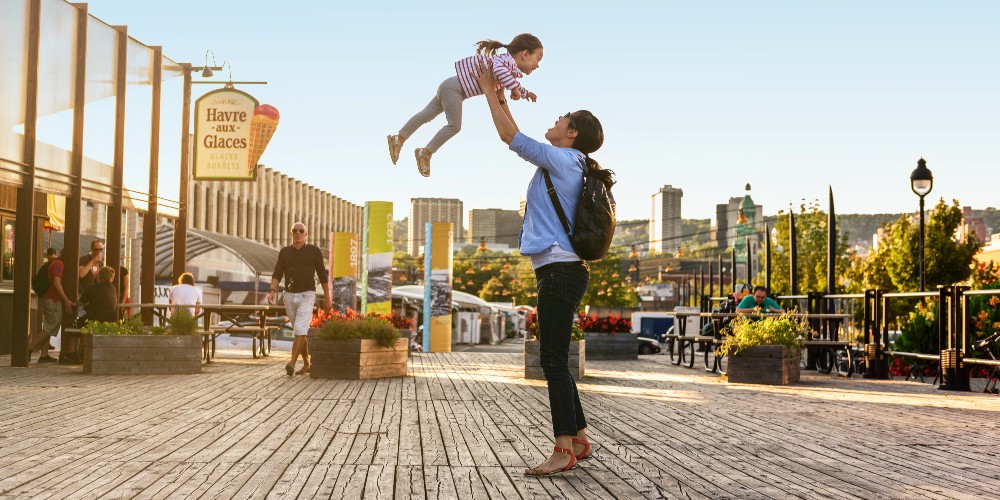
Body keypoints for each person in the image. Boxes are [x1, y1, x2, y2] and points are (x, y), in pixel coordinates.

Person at [475, 63, 605, 476]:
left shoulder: (566, 160)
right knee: (555, 359)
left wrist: (485, 91)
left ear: (572, 133)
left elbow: (510, 137)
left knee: (551, 360)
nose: (555, 120)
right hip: (563, 269)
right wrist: (496, 95)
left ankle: (562, 448)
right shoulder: (570, 162)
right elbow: (518, 134)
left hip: (560, 271)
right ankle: (579, 438)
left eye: (561, 119)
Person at [387, 34, 543, 177]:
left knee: (425, 115)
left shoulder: (508, 68)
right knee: (454, 126)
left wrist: (525, 93)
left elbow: (510, 80)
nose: (538, 65)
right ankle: (425, 153)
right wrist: (514, 88)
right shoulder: (506, 63)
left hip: (451, 87)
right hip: (454, 89)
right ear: (525, 54)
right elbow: (499, 70)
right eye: (538, 59)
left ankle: (398, 138)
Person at [268, 222, 332, 376]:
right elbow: (277, 273)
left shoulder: (314, 251)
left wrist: (328, 297)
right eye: (294, 230)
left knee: (300, 329)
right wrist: (272, 291)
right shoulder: (284, 252)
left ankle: (291, 362)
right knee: (299, 330)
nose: (298, 233)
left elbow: (323, 276)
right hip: (288, 296)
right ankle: (307, 364)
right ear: (291, 234)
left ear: (306, 234)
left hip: (307, 295)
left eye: (301, 230)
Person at [40, 249, 74, 364]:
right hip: (53, 299)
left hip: (50, 299)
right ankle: (29, 349)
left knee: (49, 326)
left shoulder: (57, 263)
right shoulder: (59, 264)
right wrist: (66, 300)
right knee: (52, 325)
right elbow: (56, 282)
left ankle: (44, 355)